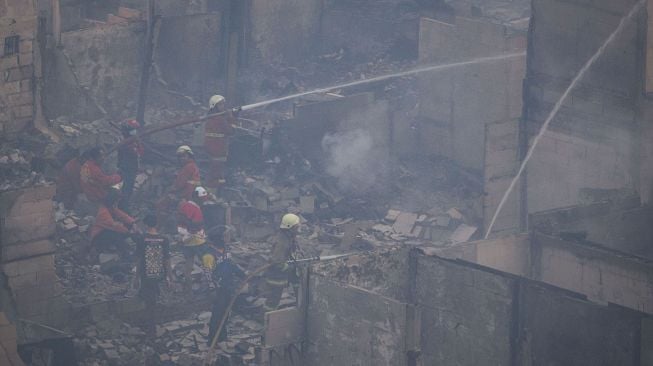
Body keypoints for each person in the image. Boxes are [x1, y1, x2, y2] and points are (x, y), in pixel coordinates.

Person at [205, 226, 245, 346]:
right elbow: (207, 274)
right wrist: (212, 289)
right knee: (217, 314)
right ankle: (212, 340)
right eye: (225, 236)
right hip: (219, 289)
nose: (227, 238)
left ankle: (222, 336)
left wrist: (242, 274)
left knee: (226, 313)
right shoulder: (209, 255)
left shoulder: (226, 250)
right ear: (219, 238)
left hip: (228, 286)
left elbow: (231, 265)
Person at [136, 214, 171, 334]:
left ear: (145, 224)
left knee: (149, 301)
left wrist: (136, 277)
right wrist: (169, 277)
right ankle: (153, 324)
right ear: (156, 224)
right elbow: (167, 259)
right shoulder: (164, 239)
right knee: (153, 298)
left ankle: (151, 327)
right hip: (159, 274)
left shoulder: (142, 238)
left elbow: (139, 259)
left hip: (146, 274)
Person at [259, 213, 300, 312]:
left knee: (298, 287)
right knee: (273, 300)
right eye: (296, 226)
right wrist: (289, 267)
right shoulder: (282, 242)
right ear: (290, 228)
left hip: (285, 272)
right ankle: (266, 318)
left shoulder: (288, 236)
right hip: (276, 277)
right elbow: (277, 262)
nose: (298, 228)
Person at [156, 145, 201, 227]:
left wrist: (169, 190)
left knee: (161, 204)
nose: (181, 159)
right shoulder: (193, 166)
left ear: (189, 156)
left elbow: (179, 185)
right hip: (189, 194)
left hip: (184, 194)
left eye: (183, 156)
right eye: (180, 157)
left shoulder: (188, 167)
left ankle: (159, 227)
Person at [89, 188, 137, 260]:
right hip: (98, 238)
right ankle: (125, 255)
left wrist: (133, 223)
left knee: (125, 227)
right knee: (114, 234)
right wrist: (128, 232)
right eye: (117, 201)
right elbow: (114, 226)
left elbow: (122, 215)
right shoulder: (103, 212)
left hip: (106, 233)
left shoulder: (110, 208)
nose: (118, 203)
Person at [177, 186, 208, 293]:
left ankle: (188, 290)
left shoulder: (184, 206)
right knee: (207, 262)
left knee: (188, 265)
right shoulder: (195, 209)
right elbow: (195, 226)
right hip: (197, 240)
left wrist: (183, 237)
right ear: (195, 197)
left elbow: (181, 223)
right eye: (202, 199)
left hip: (185, 241)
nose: (203, 201)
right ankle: (209, 286)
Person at [204, 95, 235, 193]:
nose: (223, 106)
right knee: (216, 173)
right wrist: (231, 118)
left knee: (214, 171)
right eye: (220, 104)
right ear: (214, 106)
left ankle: (213, 190)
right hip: (219, 150)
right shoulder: (219, 119)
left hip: (211, 149)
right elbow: (231, 131)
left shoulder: (210, 118)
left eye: (223, 104)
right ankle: (212, 193)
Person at [117, 119, 144, 211]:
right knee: (127, 187)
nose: (135, 131)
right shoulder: (125, 143)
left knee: (128, 186)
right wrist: (138, 142)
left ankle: (124, 204)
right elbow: (138, 152)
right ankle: (123, 206)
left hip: (130, 166)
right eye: (133, 129)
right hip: (128, 167)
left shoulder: (130, 141)